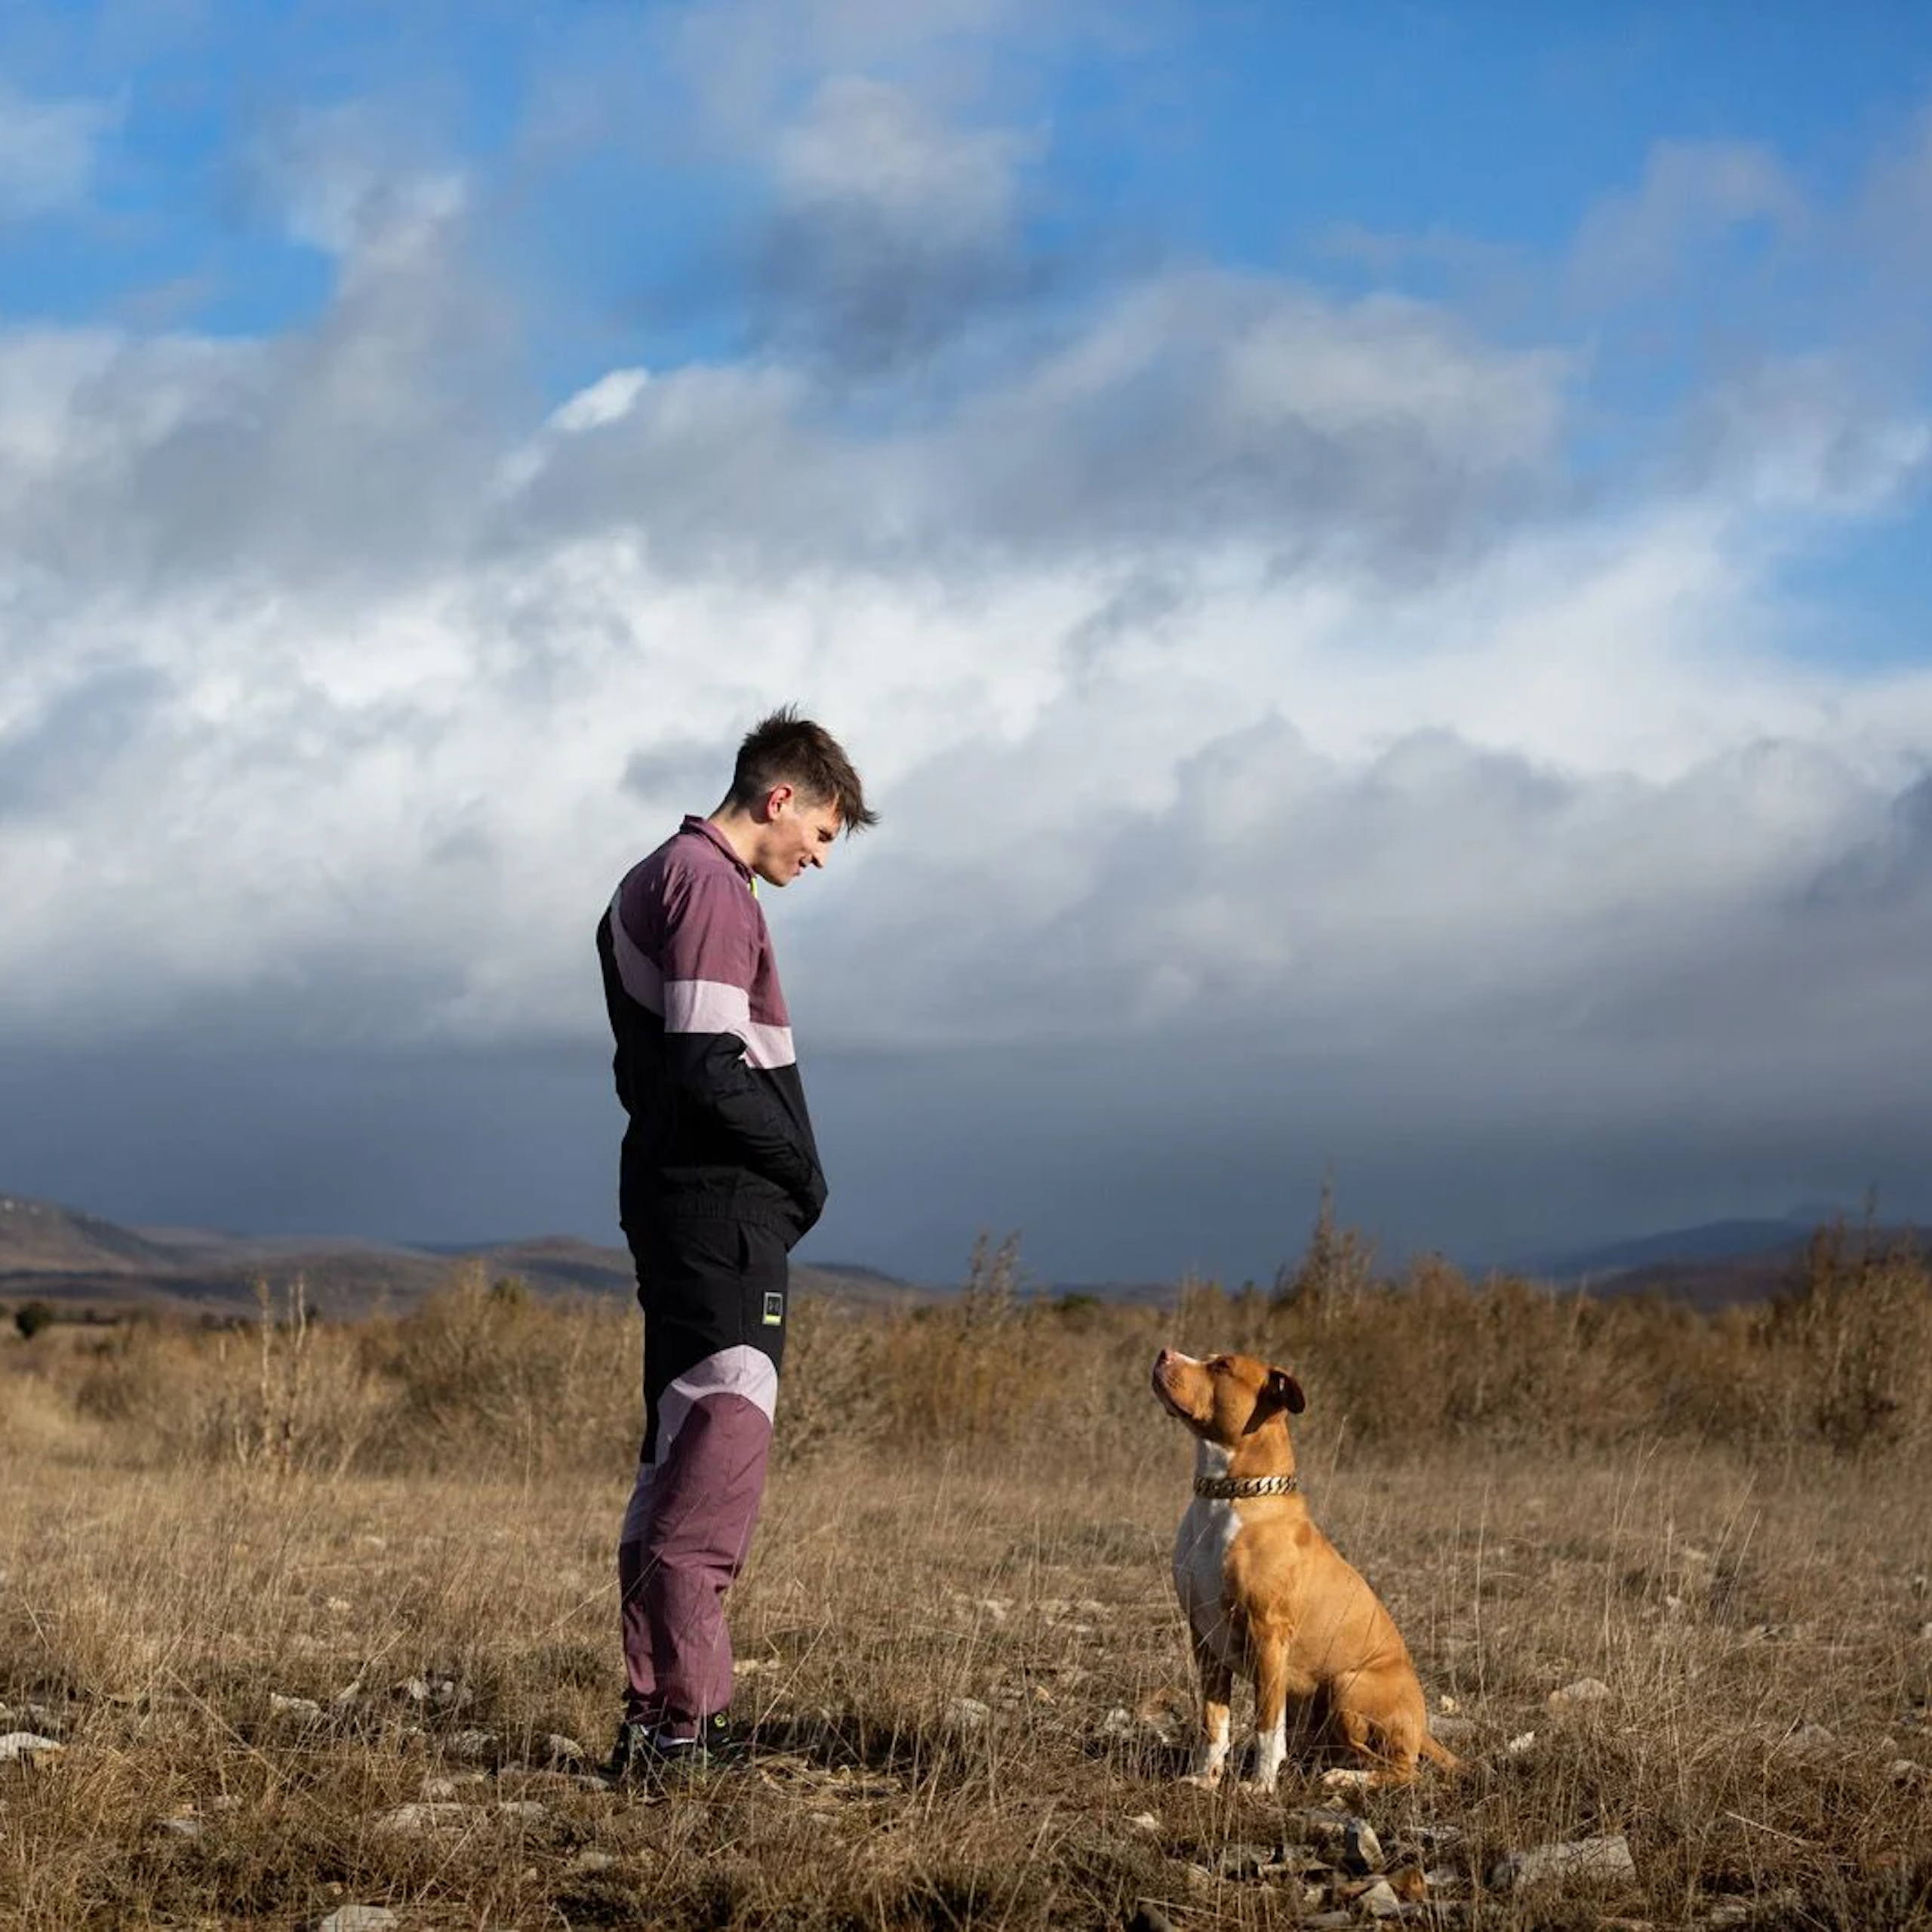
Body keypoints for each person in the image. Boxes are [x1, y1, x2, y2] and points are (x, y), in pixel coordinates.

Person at [595, 707, 877, 1782]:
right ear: (780, 798)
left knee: (676, 1459)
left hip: (683, 1210)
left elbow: (653, 1076)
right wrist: (804, 1173)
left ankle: (655, 1718)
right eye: (821, 833)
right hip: (720, 1220)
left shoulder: (651, 882)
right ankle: (686, 1733)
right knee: (715, 1458)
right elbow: (711, 1066)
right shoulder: (708, 886)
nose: (817, 857)